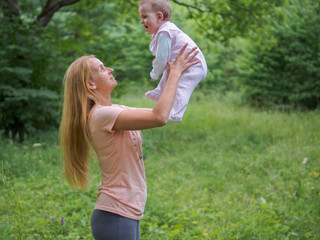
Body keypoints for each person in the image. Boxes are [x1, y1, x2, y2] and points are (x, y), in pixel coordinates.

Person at [59, 44, 200, 240]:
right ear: (90, 84)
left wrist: (171, 72)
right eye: (101, 68)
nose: (110, 70)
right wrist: (175, 73)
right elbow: (159, 117)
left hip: (127, 212)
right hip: (115, 213)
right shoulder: (102, 115)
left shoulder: (115, 109)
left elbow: (162, 111)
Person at [139, 0, 207, 122]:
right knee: (168, 81)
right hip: (182, 65)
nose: (141, 21)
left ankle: (175, 113)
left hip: (193, 66)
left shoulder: (165, 32)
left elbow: (162, 58)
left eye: (145, 17)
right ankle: (162, 104)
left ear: (159, 16)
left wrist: (155, 73)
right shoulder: (163, 31)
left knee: (181, 88)